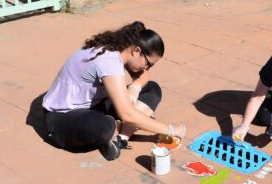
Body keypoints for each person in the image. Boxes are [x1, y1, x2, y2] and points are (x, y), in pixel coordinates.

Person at [42, 21, 186, 160]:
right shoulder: (108, 61)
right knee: (102, 127)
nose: (147, 68)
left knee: (152, 88)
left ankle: (121, 138)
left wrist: (135, 88)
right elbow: (126, 113)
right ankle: (121, 126)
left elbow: (144, 77)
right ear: (137, 51)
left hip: (94, 105)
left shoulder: (119, 50)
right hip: (62, 119)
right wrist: (170, 130)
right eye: (148, 64)